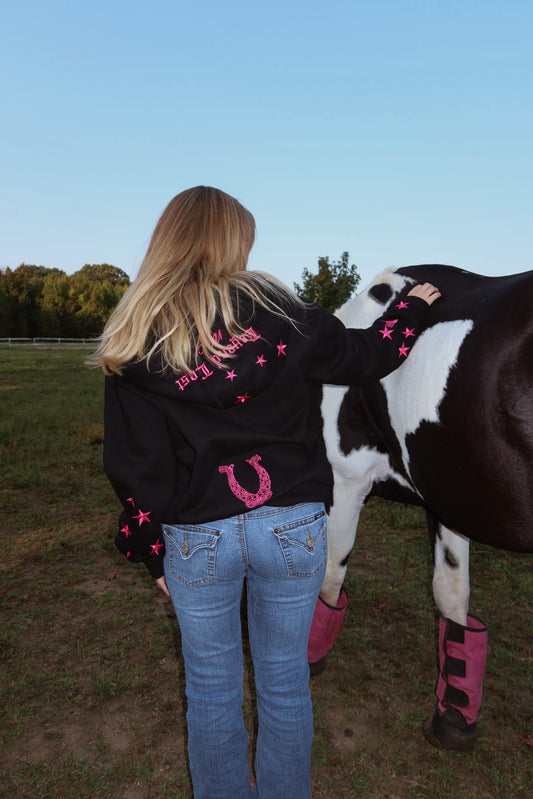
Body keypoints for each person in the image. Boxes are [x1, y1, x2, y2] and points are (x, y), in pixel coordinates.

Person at [94, 186, 440, 799]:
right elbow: (369, 355)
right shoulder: (282, 313)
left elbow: (136, 467)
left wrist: (151, 552)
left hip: (197, 535)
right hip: (291, 527)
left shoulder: (138, 336)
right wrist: (411, 308)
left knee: (211, 693)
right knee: (284, 685)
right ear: (232, 242)